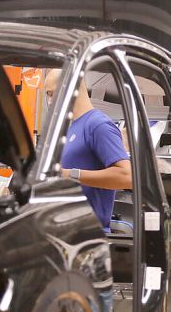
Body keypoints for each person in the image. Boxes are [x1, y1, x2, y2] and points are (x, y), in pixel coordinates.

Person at [44, 70, 132, 232]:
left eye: (51, 94)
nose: (49, 102)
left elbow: (127, 177)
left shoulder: (98, 125)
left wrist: (69, 174)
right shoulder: (71, 128)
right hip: (67, 233)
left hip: (89, 237)